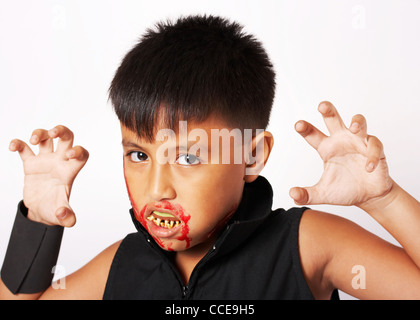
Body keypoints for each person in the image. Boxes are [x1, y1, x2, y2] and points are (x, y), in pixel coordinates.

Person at [1, 15, 420, 300]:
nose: (157, 187)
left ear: (251, 157)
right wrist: (37, 220)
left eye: (186, 158)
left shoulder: (307, 243)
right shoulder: (122, 263)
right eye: (138, 155)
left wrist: (384, 201)